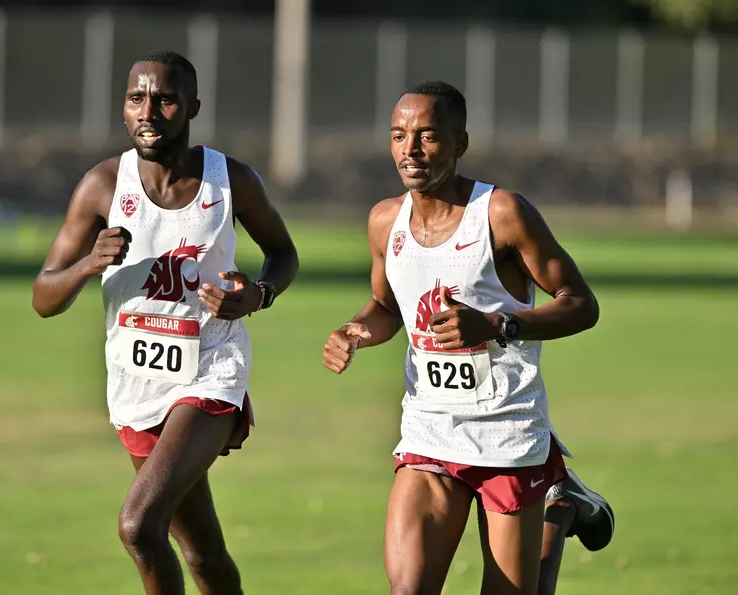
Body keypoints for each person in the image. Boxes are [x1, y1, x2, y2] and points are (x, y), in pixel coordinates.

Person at [322, 81, 614, 595]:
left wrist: (502, 325)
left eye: (427, 136)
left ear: (459, 143)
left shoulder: (501, 214)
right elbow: (388, 306)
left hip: (507, 432)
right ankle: (559, 503)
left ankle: (561, 509)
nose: (410, 149)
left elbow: (580, 303)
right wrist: (357, 331)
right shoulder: (384, 221)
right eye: (398, 135)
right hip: (429, 431)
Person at [32, 51, 298, 594]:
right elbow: (43, 296)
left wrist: (258, 295)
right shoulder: (103, 185)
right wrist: (88, 263)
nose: (149, 111)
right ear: (124, 108)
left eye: (165, 99)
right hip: (137, 383)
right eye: (136, 99)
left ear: (192, 108)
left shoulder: (231, 181)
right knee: (201, 552)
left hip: (209, 371)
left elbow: (283, 254)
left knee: (138, 524)